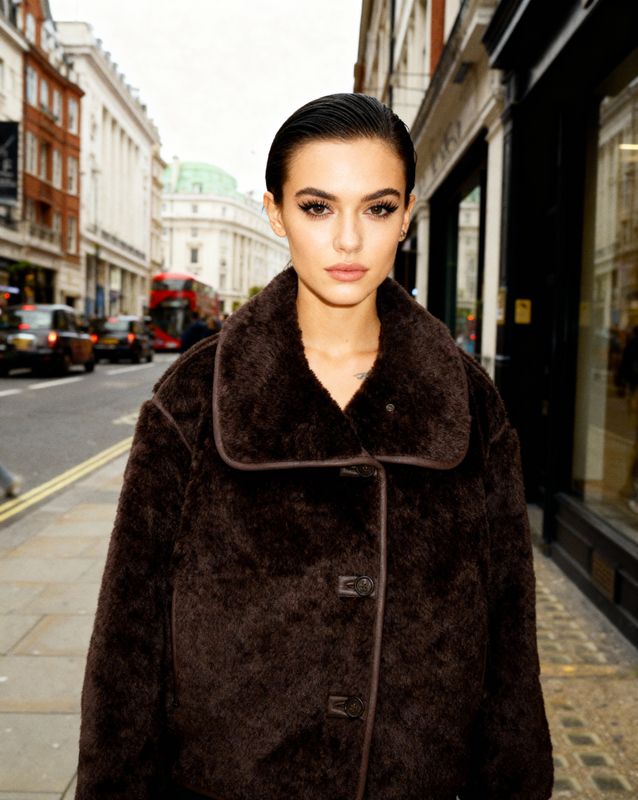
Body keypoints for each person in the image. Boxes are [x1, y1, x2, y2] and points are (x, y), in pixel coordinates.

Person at [76, 93, 553, 799]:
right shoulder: (193, 400)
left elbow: (510, 640)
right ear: (275, 213)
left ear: (408, 214)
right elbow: (128, 639)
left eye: (378, 208)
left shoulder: (471, 404)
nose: (350, 241)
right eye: (318, 207)